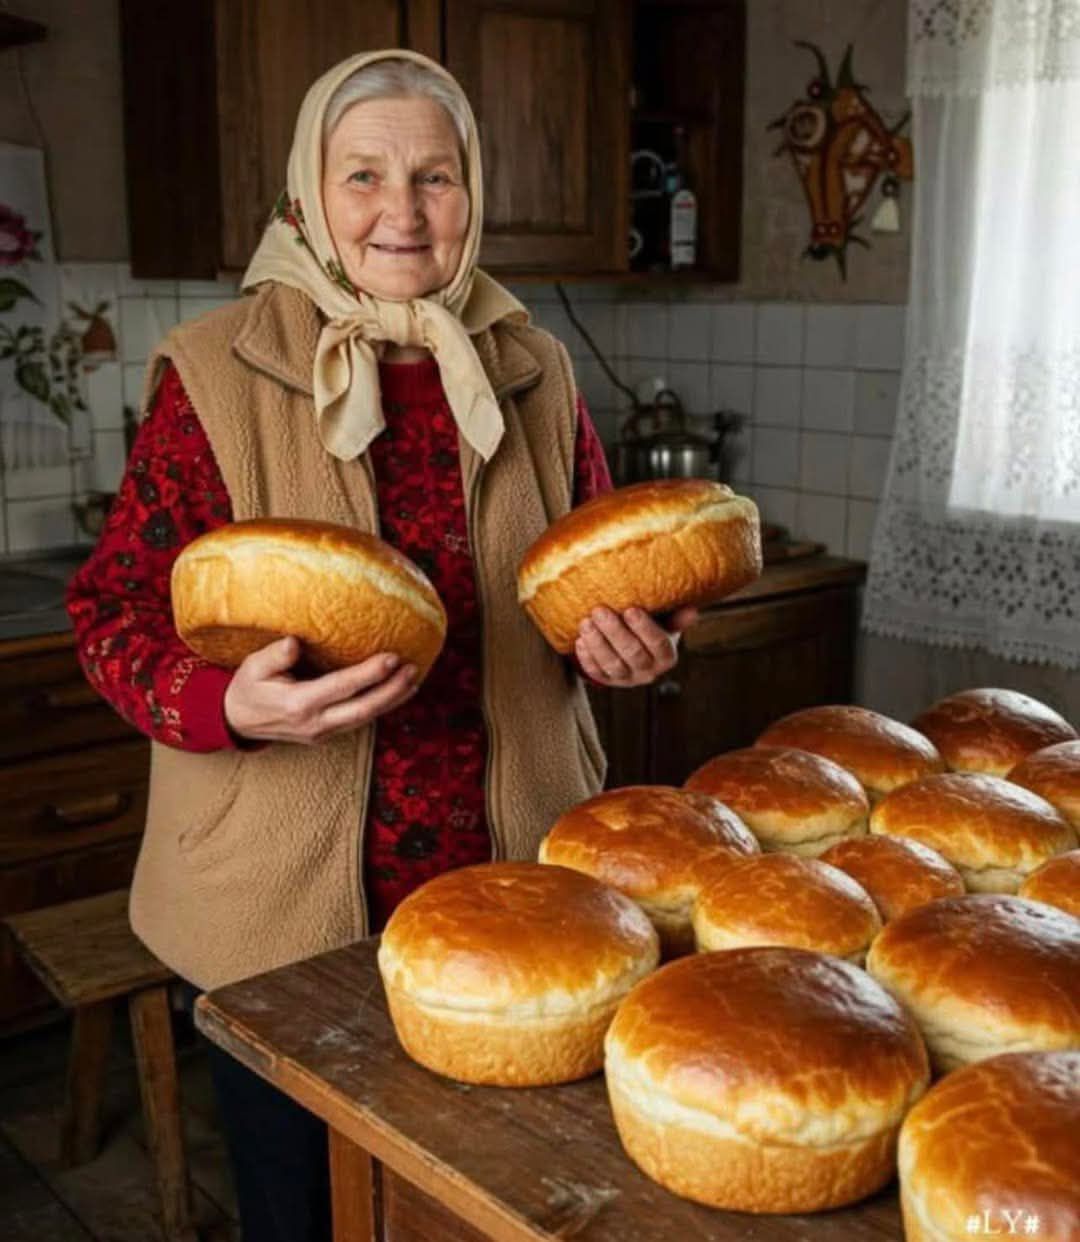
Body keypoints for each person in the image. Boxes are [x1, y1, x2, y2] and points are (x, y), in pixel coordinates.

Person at [66, 49, 697, 1242]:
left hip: (517, 891)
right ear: (307, 195)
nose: (401, 213)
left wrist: (636, 644)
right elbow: (109, 615)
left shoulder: (534, 367)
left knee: (504, 1204)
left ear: (477, 194)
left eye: (435, 177)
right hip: (281, 910)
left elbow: (590, 582)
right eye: (363, 175)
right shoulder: (215, 371)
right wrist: (226, 706)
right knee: (304, 1213)